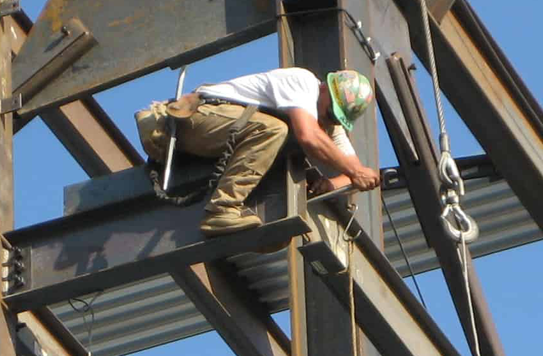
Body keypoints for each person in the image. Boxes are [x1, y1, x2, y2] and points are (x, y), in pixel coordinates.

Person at [136, 66, 381, 236]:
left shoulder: (327, 127)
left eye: (337, 118)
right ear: (326, 88)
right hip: (195, 119)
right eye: (330, 112)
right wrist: (356, 171)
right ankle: (222, 210)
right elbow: (309, 136)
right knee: (275, 129)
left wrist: (330, 185)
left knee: (285, 142)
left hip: (220, 135)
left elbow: (351, 173)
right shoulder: (303, 82)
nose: (330, 121)